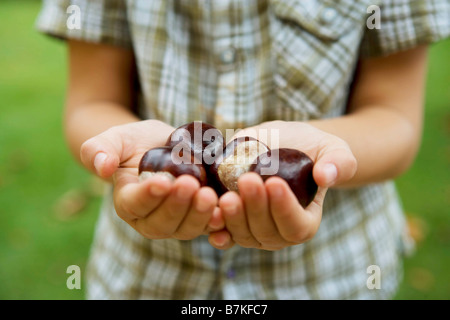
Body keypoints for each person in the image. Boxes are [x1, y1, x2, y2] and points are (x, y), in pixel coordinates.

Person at [36, 0, 449, 299]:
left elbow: (395, 119)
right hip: (144, 277)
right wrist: (118, 147)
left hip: (334, 274)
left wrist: (328, 155)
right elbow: (91, 101)